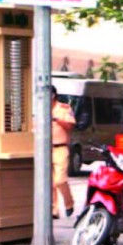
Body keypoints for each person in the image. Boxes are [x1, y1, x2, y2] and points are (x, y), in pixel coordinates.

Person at [50, 85, 75, 220]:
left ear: (53, 95)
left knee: (60, 180)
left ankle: (69, 203)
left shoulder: (64, 108)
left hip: (60, 147)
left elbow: (70, 126)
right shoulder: (41, 109)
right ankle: (54, 210)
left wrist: (58, 120)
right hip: (46, 149)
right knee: (49, 182)